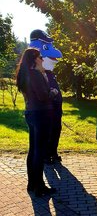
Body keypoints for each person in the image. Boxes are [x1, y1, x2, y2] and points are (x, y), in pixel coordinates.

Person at [16, 48, 58, 197]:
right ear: (34, 59)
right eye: (40, 57)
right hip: (41, 114)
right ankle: (39, 187)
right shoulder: (35, 75)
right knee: (39, 151)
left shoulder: (25, 75)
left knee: (33, 149)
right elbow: (43, 96)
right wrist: (53, 92)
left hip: (31, 113)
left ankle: (32, 184)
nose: (42, 59)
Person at [29, 29, 63, 164]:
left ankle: (53, 152)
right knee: (47, 131)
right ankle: (45, 155)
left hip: (55, 107)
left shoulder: (49, 73)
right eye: (46, 47)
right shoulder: (36, 75)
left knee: (56, 128)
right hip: (45, 108)